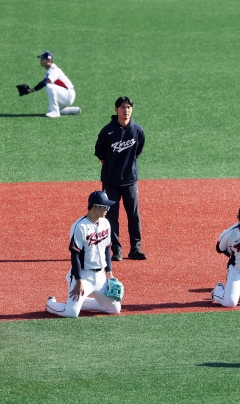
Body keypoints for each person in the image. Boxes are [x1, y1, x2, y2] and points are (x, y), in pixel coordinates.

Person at [46, 191, 121, 318]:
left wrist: (109, 272)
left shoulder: (105, 223)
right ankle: (51, 304)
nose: (107, 210)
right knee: (71, 313)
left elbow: (107, 249)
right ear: (95, 207)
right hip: (84, 275)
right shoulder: (80, 227)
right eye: (105, 207)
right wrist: (78, 280)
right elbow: (75, 255)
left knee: (114, 309)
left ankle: (80, 302)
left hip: (101, 276)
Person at [94, 96, 146, 261]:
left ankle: (135, 248)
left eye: (129, 107)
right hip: (111, 182)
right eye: (123, 107)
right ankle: (116, 250)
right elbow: (100, 153)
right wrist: (112, 168)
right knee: (111, 217)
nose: (126, 110)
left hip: (130, 181)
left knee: (134, 215)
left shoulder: (137, 130)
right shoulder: (107, 131)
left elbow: (137, 151)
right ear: (116, 109)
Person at [19, 51, 81, 118]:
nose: (41, 61)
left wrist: (31, 90)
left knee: (49, 86)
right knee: (49, 110)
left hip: (68, 94)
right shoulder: (50, 69)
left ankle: (55, 112)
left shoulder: (54, 70)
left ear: (49, 60)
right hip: (64, 95)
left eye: (43, 59)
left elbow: (45, 82)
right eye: (41, 59)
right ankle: (75, 110)